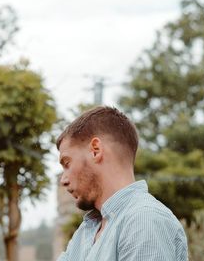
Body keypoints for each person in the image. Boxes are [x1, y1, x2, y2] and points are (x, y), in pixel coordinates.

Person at [56, 106, 188, 260]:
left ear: (95, 150)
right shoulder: (87, 230)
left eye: (67, 163)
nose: (63, 180)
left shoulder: (143, 220)